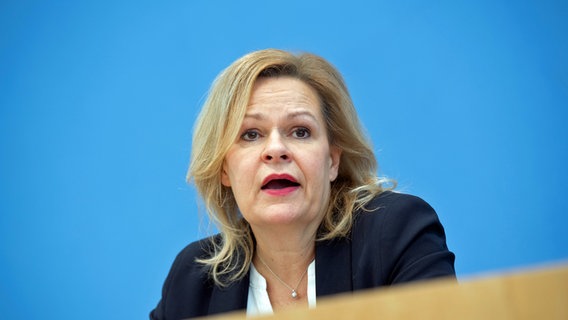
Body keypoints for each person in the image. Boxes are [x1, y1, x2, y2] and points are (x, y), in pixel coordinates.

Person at [150, 49, 455, 319]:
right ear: (224, 170)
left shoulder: (395, 234)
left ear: (332, 160)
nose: (275, 149)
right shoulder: (193, 280)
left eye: (300, 132)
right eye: (251, 134)